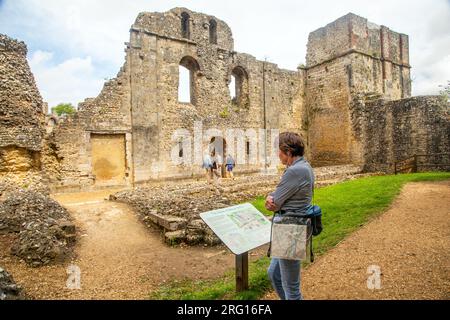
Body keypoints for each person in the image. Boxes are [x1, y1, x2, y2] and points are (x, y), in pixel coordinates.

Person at [265, 132, 314, 300]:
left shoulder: (296, 170)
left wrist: (271, 200)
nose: (277, 154)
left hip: (290, 230)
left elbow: (276, 202)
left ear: (287, 150)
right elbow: (281, 194)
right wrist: (272, 198)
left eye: (278, 150)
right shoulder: (301, 167)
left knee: (291, 289)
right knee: (274, 274)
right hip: (289, 228)